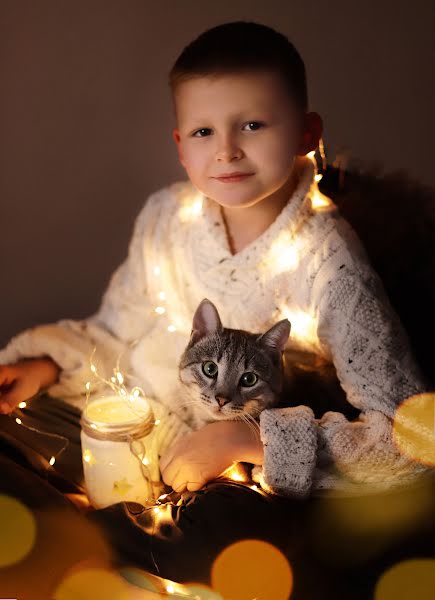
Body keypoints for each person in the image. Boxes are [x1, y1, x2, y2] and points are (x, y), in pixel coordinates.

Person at [0, 21, 432, 501]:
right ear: (182, 147)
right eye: (204, 131)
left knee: (215, 529)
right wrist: (44, 365)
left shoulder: (330, 264)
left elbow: (410, 436)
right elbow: (118, 331)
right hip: (152, 419)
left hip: (241, 469)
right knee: (18, 443)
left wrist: (249, 440)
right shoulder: (167, 217)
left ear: (306, 133)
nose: (226, 150)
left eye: (252, 125)